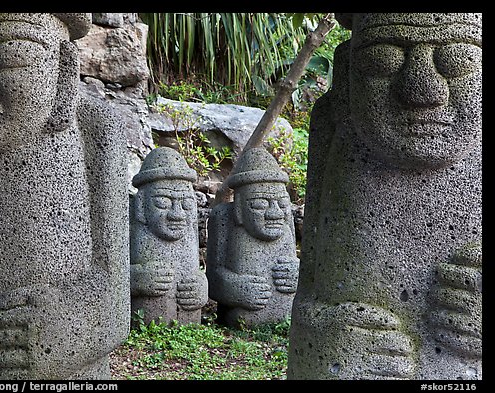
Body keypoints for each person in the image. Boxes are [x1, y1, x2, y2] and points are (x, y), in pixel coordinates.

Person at [0, 13, 130, 379]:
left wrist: (73, 323)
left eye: (13, 55)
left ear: (64, 68)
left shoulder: (96, 131)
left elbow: (115, 300)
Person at [287, 13, 482, 380]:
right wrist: (325, 336)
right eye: (383, 58)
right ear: (347, 73)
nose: (422, 92)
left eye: (459, 58)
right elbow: (310, 297)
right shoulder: (339, 138)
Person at [206, 148, 299, 328]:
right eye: (260, 204)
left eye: (282, 204)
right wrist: (236, 289)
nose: (274, 213)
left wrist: (297, 274)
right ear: (239, 208)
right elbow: (213, 277)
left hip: (286, 320)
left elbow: (301, 270)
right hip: (240, 321)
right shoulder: (224, 218)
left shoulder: (286, 225)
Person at [130, 147, 208, 326]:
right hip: (145, 327)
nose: (177, 214)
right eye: (163, 202)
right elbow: (109, 275)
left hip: (188, 326)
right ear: (141, 205)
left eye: (187, 203)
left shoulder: (188, 233)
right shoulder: (129, 223)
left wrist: (201, 287)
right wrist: (137, 278)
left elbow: (203, 273)